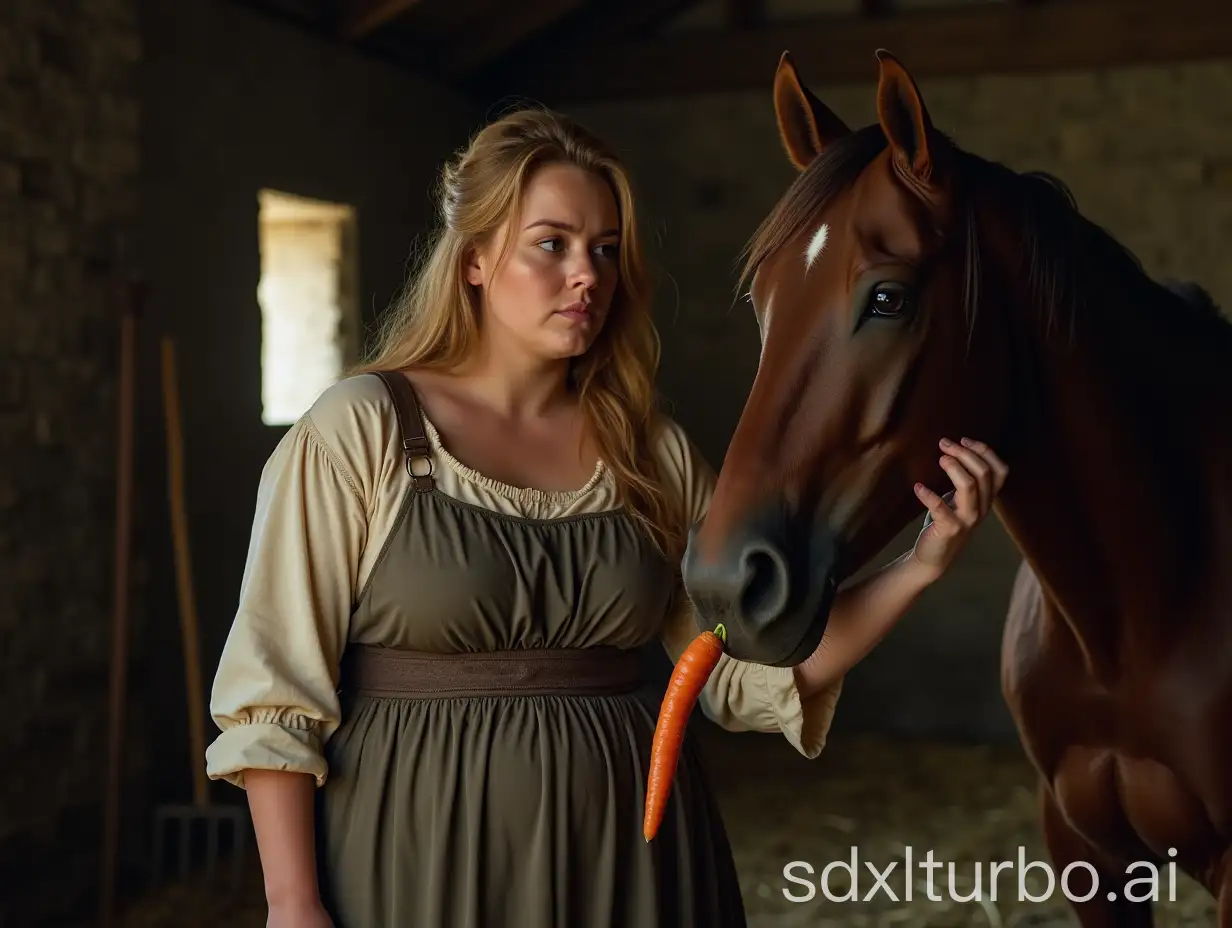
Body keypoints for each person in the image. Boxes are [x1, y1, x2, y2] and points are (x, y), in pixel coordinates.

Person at [204, 106, 1008, 928]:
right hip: (411, 853)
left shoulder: (644, 448)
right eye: (551, 245)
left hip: (633, 863)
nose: (586, 275)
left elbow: (740, 669)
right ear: (475, 260)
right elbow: (277, 692)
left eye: (605, 250)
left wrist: (920, 566)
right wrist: (292, 902)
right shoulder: (361, 428)